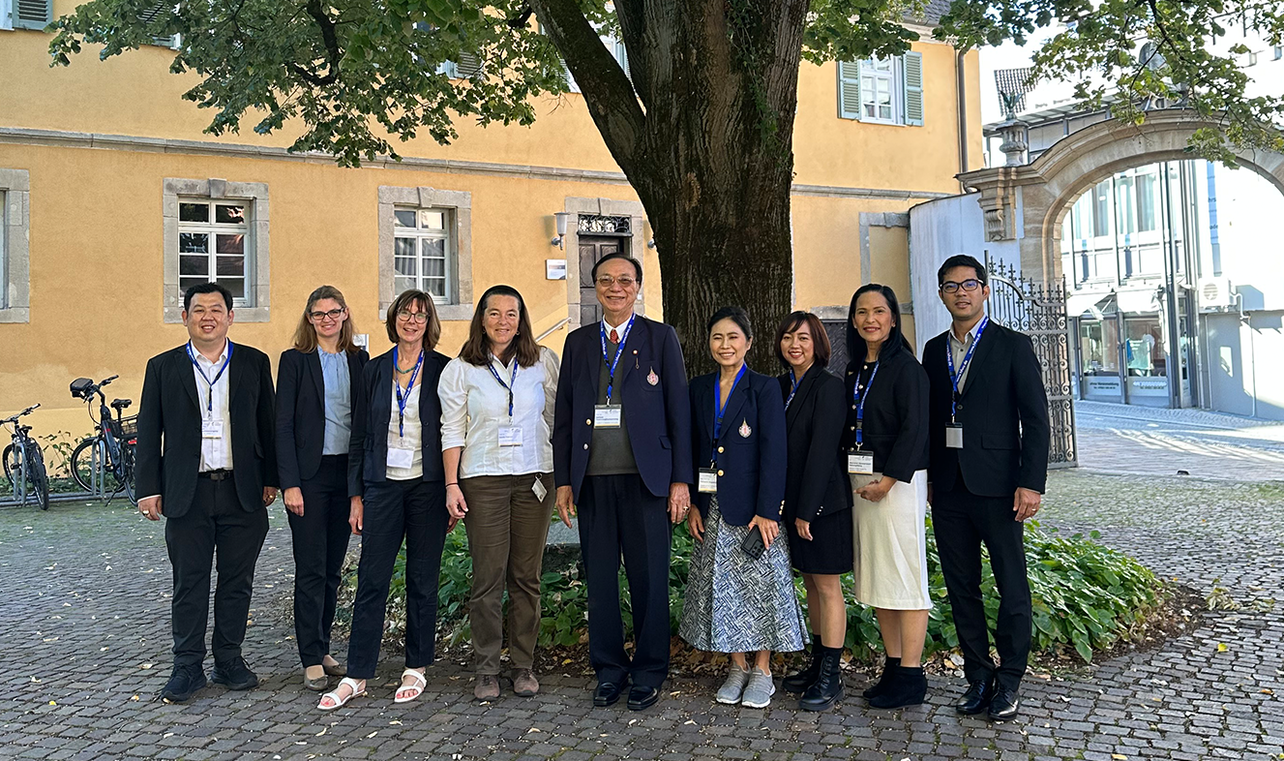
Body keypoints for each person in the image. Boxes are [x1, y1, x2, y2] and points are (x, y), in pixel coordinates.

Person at [552, 252, 693, 712]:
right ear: (595, 287)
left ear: (637, 287)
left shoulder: (660, 337)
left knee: (649, 579)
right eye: (606, 280)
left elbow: (679, 412)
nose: (616, 288)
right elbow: (565, 416)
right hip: (593, 481)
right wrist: (564, 481)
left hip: (647, 482)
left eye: (625, 280)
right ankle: (609, 670)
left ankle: (649, 671)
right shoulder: (578, 342)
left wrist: (680, 481)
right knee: (601, 582)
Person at [135, 282, 279, 703]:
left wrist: (271, 477)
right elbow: (149, 432)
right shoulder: (162, 367)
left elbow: (268, 424)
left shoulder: (253, 362)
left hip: (242, 490)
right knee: (189, 583)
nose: (208, 317)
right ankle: (187, 666)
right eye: (199, 310)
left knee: (237, 582)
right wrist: (148, 488)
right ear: (185, 317)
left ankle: (229, 660)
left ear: (230, 317)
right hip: (187, 492)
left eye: (216, 309)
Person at [924, 254, 1050, 721]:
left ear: (985, 290)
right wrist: (930, 477)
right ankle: (978, 677)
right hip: (949, 489)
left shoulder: (1012, 346)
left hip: (1000, 488)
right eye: (951, 286)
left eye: (969, 284)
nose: (961, 292)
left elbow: (1036, 420)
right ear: (942, 294)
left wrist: (1030, 483)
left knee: (1012, 585)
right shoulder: (933, 351)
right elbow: (931, 421)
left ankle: (1010, 679)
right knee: (962, 588)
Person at [319, 290, 454, 710]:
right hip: (382, 486)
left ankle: (416, 666)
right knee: (371, 580)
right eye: (405, 313)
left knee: (422, 579)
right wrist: (356, 495)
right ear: (393, 319)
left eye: (420, 315)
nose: (411, 321)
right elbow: (359, 435)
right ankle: (358, 673)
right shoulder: (374, 369)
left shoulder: (444, 369)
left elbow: (455, 431)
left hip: (429, 486)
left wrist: (454, 489)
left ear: (429, 323)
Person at [438, 285, 560, 701]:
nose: (503, 321)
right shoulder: (461, 369)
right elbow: (452, 430)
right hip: (483, 479)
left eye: (511, 314)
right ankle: (487, 668)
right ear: (482, 319)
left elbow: (554, 420)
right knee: (487, 578)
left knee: (526, 577)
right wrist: (451, 484)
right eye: (494, 313)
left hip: (534, 478)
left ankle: (523, 664)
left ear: (521, 320)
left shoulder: (543, 362)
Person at [680, 306, 803, 710]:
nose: (725, 344)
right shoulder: (699, 387)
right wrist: (695, 504)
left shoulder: (764, 388)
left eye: (733, 337)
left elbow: (775, 452)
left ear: (748, 342)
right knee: (725, 589)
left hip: (754, 510)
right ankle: (736, 667)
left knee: (762, 588)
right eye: (717, 337)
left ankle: (762, 670)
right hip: (713, 505)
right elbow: (694, 448)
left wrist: (768, 510)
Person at [841, 284, 932, 708]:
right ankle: (894, 666)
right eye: (862, 312)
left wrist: (890, 481)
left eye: (879, 311)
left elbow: (915, 429)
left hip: (896, 485)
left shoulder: (906, 368)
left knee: (905, 574)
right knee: (880, 577)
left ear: (893, 319)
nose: (870, 319)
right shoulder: (855, 370)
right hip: (863, 483)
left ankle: (912, 674)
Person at [276, 285, 369, 691]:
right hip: (309, 477)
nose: (327, 320)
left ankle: (324, 646)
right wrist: (290, 484)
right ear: (309, 318)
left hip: (346, 475)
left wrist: (361, 486)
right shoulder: (295, 361)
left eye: (333, 312)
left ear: (345, 313)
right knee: (311, 568)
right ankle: (310, 657)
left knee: (332, 569)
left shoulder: (359, 360)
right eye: (318, 314)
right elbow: (282, 426)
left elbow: (365, 422)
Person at [774, 311, 853, 711]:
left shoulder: (828, 386)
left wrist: (807, 511)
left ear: (817, 343)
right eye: (789, 338)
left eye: (803, 338)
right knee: (810, 584)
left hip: (823, 505)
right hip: (795, 505)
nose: (795, 345)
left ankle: (832, 675)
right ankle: (818, 661)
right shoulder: (782, 385)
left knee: (827, 587)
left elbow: (823, 452)